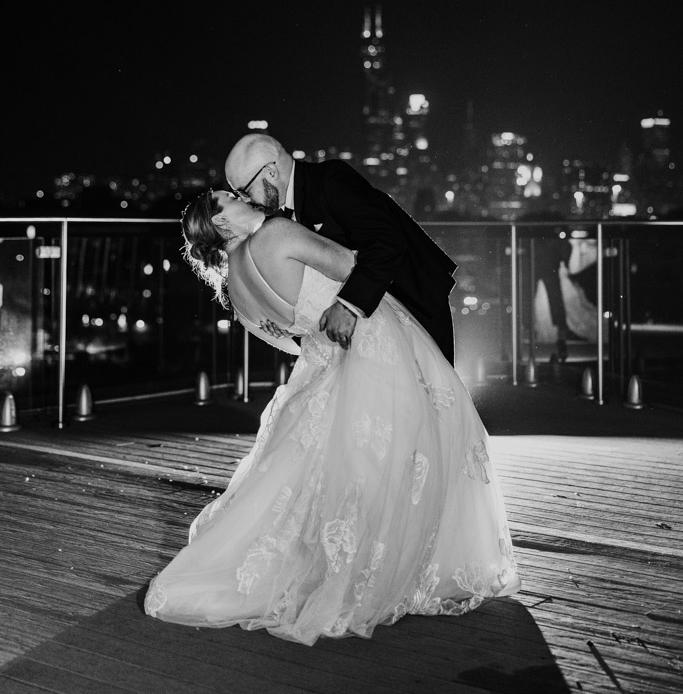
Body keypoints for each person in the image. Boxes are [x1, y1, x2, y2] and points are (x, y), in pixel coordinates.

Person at [143, 189, 520, 645]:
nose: (240, 194)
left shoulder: (234, 285)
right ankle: (403, 567)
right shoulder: (278, 233)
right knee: (413, 450)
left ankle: (348, 564)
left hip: (322, 360)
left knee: (333, 468)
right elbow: (351, 268)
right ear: (221, 224)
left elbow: (287, 339)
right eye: (229, 197)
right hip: (375, 339)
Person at [224, 134, 458, 363]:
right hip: (374, 329)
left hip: (415, 301)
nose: (245, 201)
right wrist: (290, 327)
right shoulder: (281, 219)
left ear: (271, 172)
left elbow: (387, 239)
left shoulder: (329, 179)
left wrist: (348, 307)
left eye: (245, 191)